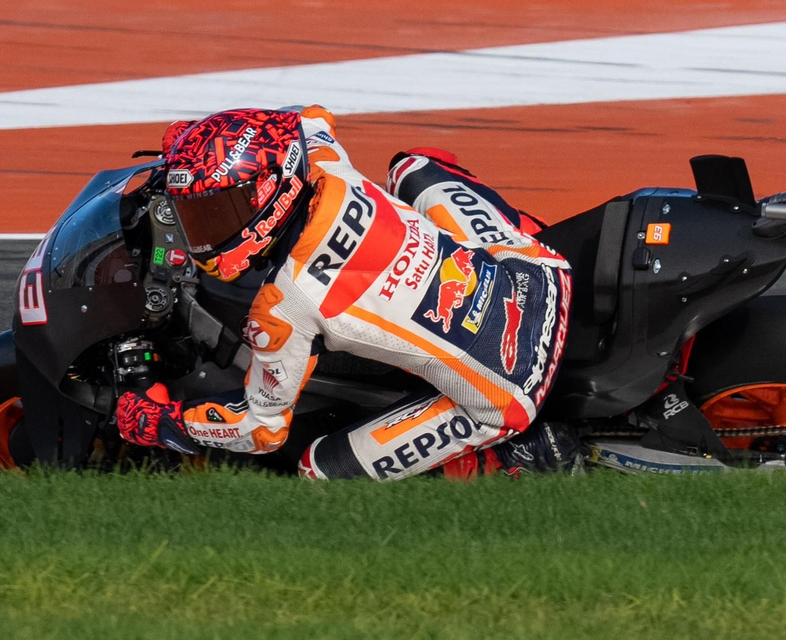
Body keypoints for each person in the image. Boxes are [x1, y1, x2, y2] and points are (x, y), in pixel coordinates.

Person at [115, 106, 578, 479]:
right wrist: (194, 141)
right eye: (197, 214)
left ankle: (508, 460)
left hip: (509, 390)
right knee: (414, 165)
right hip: (540, 273)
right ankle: (535, 231)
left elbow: (260, 430)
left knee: (317, 469)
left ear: (274, 190)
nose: (205, 233)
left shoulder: (283, 305)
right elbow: (308, 116)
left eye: (221, 210)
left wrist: (161, 422)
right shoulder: (322, 158)